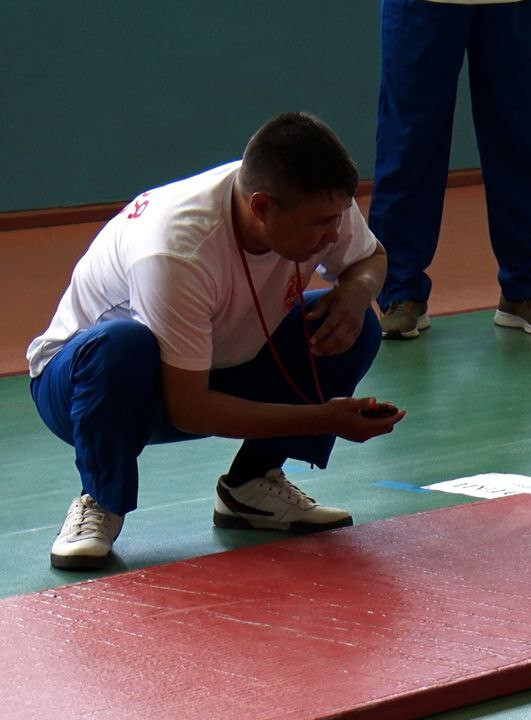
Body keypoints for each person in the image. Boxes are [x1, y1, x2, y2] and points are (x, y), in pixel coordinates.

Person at [28, 112, 406, 571]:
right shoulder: (177, 249)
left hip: (212, 360)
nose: (333, 235)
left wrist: (358, 289)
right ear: (262, 207)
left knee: (352, 323)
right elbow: (190, 408)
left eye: (338, 218)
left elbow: (371, 257)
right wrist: (321, 418)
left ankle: (251, 486)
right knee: (121, 345)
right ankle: (101, 499)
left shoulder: (317, 198)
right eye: (320, 224)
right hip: (84, 386)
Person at [372, 0, 531, 339]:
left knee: (520, 137)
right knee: (408, 142)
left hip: (509, 5)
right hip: (420, 6)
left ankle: (526, 290)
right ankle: (400, 294)